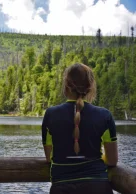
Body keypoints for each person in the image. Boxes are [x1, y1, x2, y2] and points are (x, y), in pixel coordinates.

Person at [42, 63, 118, 194]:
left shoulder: (51, 115)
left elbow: (49, 158)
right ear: (90, 87)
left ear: (66, 86)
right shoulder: (105, 116)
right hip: (98, 187)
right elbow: (112, 160)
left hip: (62, 187)